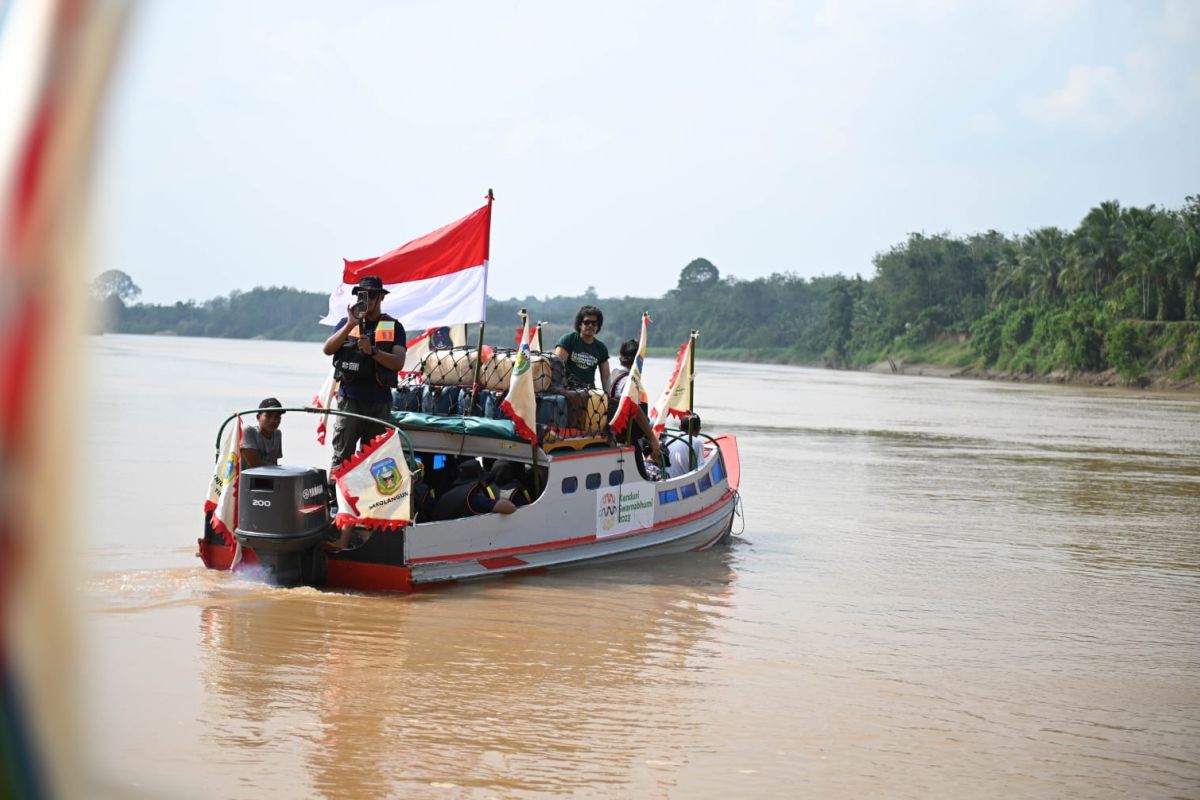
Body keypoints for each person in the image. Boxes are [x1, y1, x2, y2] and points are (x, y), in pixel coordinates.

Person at [322, 275, 407, 472]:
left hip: (379, 403)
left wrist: (373, 351)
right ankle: (335, 499)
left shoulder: (393, 327)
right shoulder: (347, 323)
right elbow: (328, 349)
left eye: (371, 295)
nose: (366, 299)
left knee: (377, 462)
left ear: (381, 298)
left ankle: (370, 501)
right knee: (342, 458)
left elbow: (398, 362)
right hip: (350, 401)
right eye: (363, 295)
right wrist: (351, 324)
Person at [608, 339, 662, 470]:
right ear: (638, 361)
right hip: (627, 439)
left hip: (619, 435)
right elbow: (635, 411)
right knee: (641, 476)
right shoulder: (628, 381)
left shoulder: (614, 373)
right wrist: (652, 439)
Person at [554, 305, 610, 392]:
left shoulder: (601, 348)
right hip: (568, 391)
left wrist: (607, 398)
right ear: (580, 324)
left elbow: (606, 378)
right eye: (587, 322)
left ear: (598, 326)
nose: (590, 325)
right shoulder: (568, 340)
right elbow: (556, 368)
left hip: (590, 394)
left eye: (594, 323)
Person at [240, 397, 284, 468]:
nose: (273, 420)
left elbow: (274, 462)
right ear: (258, 417)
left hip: (269, 477)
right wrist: (280, 469)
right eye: (268, 416)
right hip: (248, 478)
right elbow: (255, 464)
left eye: (277, 417)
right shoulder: (249, 432)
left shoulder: (277, 434)